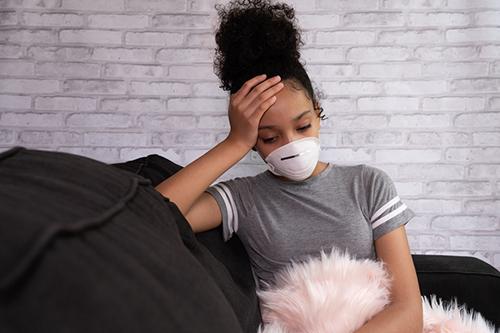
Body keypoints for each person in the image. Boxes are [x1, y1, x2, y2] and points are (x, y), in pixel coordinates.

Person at [155, 0, 423, 331]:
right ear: (253, 141)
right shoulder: (244, 198)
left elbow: (408, 309)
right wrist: (233, 143)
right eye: (270, 138)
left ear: (318, 112)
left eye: (303, 126)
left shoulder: (368, 184)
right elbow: (152, 213)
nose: (291, 145)